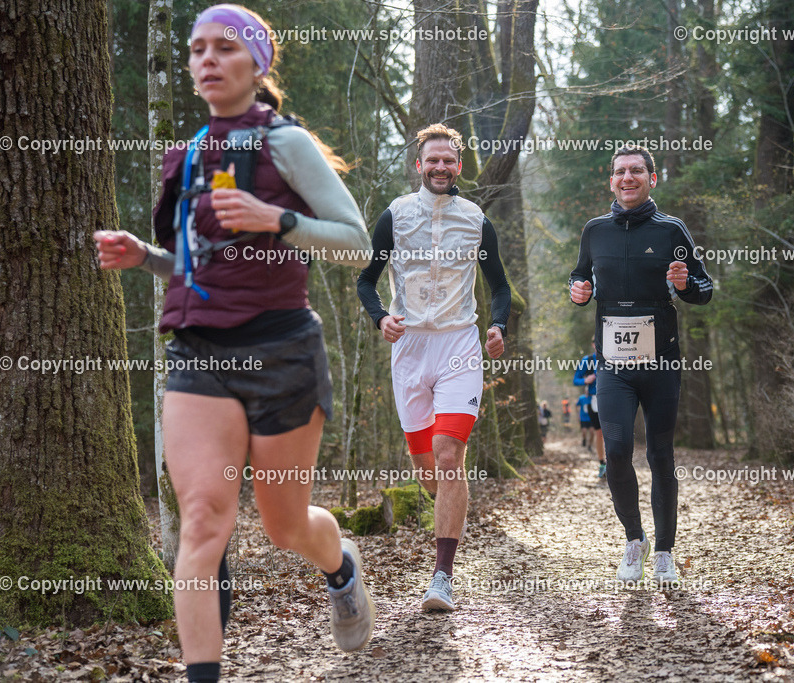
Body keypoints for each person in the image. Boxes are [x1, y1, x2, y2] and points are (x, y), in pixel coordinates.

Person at [93, 6, 375, 679]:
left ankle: (338, 566)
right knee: (203, 520)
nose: (207, 60)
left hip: (282, 352)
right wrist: (147, 258)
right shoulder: (189, 154)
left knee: (284, 528)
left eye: (224, 48)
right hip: (198, 355)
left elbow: (357, 240)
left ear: (257, 63)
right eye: (196, 50)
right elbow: (199, 264)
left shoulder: (286, 143)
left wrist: (277, 219)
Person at [356, 123, 510, 611]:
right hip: (410, 351)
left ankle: (442, 576)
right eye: (432, 160)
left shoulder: (476, 219)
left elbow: (500, 287)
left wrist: (498, 325)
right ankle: (450, 512)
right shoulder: (395, 216)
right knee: (429, 469)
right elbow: (366, 280)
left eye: (449, 160)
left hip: (460, 345)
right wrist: (381, 318)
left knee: (448, 455)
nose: (441, 167)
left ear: (458, 166)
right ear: (419, 166)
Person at [569, 146, 712, 586]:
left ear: (653, 177)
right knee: (614, 451)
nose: (627, 177)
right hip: (613, 365)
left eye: (636, 171)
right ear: (610, 180)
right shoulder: (595, 230)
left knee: (660, 454)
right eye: (619, 172)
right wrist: (578, 290)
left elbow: (704, 289)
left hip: (661, 362)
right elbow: (580, 277)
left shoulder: (671, 229)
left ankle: (665, 550)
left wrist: (686, 285)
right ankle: (635, 539)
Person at [574, 340, 605, 477]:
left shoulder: (614, 357)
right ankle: (602, 464)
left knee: (612, 432)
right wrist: (586, 380)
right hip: (594, 400)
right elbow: (576, 379)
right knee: (599, 433)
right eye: (596, 342)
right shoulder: (588, 360)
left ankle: (616, 462)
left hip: (613, 398)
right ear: (593, 344)